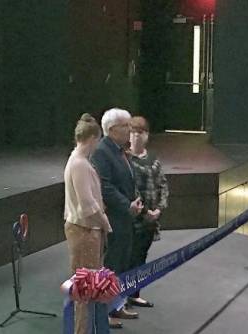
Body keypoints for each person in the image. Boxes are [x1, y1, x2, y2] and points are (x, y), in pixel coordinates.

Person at [90, 108, 144, 327]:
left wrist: (136, 201)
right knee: (112, 264)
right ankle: (106, 312)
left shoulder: (121, 150)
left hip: (126, 218)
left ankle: (117, 305)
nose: (130, 131)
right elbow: (106, 187)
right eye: (126, 127)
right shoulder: (102, 151)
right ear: (112, 130)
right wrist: (126, 205)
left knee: (123, 263)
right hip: (114, 219)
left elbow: (127, 180)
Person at [63, 113, 112, 333]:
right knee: (85, 291)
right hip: (85, 231)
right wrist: (105, 222)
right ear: (93, 138)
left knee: (88, 289)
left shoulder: (77, 160)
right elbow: (87, 205)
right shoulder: (80, 164)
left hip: (84, 229)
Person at [127, 116, 169, 309]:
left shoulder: (153, 159)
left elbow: (163, 185)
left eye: (140, 132)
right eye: (133, 132)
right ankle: (121, 298)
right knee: (128, 259)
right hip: (133, 220)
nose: (136, 136)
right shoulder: (126, 160)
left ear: (146, 135)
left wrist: (159, 209)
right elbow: (130, 190)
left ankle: (135, 294)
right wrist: (145, 212)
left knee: (141, 258)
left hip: (151, 222)